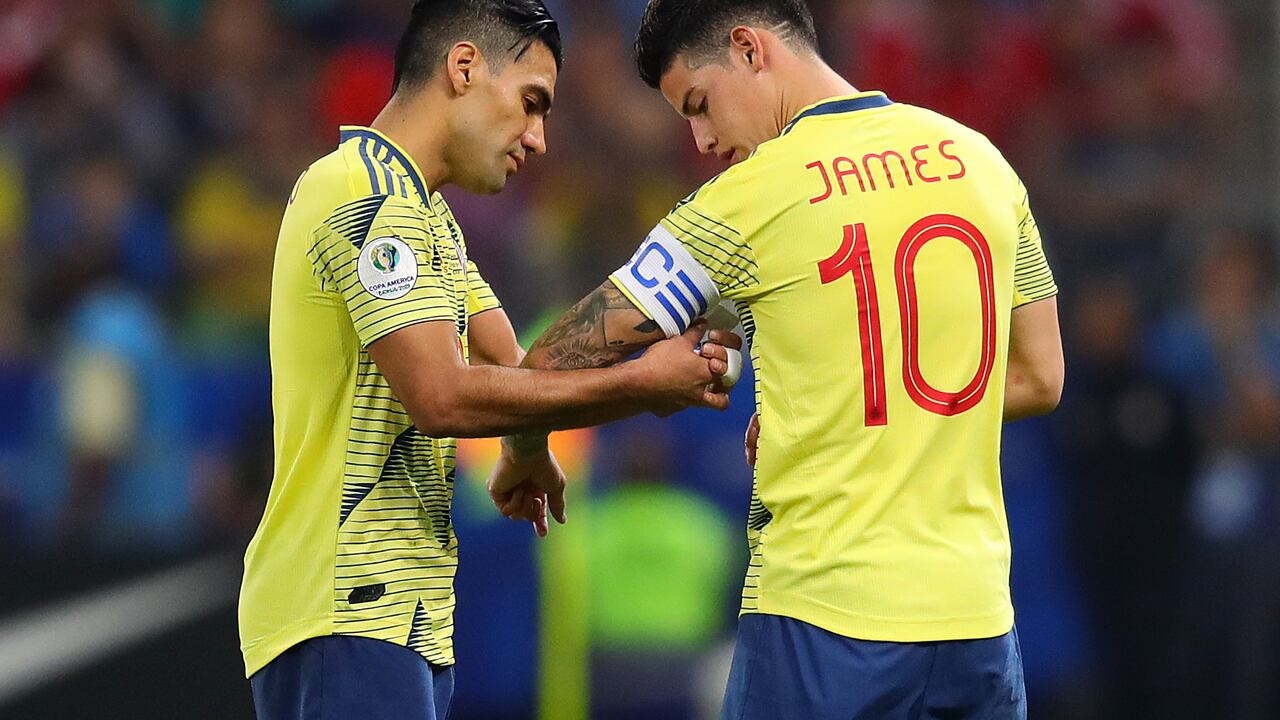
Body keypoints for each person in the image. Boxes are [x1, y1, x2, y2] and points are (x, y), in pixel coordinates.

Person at [495, 1, 1064, 718]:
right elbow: (1040, 378)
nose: (701, 140)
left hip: (821, 623)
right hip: (975, 626)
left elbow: (552, 361)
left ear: (749, 49)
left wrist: (523, 449)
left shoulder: (747, 200)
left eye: (700, 105)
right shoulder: (981, 162)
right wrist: (846, 406)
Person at [237, 2, 739, 719]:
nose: (537, 139)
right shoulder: (363, 193)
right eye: (531, 104)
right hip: (345, 604)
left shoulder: (425, 216)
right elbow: (441, 397)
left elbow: (522, 367)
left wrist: (528, 449)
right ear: (465, 68)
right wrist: (642, 384)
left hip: (397, 614)